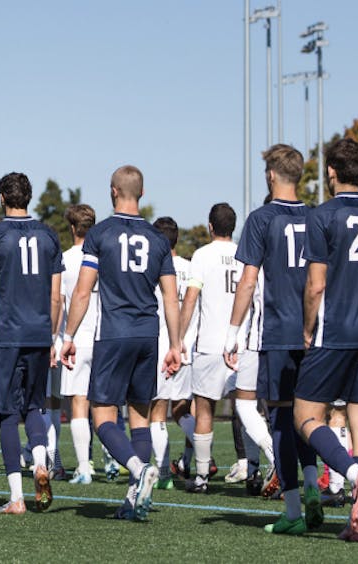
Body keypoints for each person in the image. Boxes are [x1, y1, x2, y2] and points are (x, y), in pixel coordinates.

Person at [293, 138, 358, 543]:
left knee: (305, 416)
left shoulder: (322, 216)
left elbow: (315, 285)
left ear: (331, 172)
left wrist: (307, 328)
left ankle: (355, 474)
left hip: (335, 330)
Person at [61, 165, 182, 522]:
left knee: (102, 417)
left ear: (113, 191)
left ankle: (137, 470)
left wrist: (68, 336)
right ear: (141, 194)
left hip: (115, 332)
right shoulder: (160, 239)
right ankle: (134, 500)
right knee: (140, 416)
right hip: (149, 333)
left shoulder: (100, 234)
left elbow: (83, 292)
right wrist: (175, 344)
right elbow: (170, 298)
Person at [224, 144, 317, 534]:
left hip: (278, 331)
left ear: (271, 175)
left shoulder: (262, 218)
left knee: (280, 418)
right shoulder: (317, 217)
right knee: (308, 417)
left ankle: (293, 510)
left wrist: (232, 331)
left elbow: (248, 280)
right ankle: (314, 487)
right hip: (313, 332)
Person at [0, 173, 63, 514]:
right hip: (39, 334)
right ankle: (39, 462)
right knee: (34, 407)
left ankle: (17, 498)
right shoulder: (49, 236)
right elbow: (56, 297)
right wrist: (52, 337)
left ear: (2, 198)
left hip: (8, 335)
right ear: (29, 197)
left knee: (7, 414)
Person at [177, 203, 241, 494]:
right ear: (234, 226)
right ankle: (253, 469)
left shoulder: (202, 255)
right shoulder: (245, 254)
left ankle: (202, 477)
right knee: (246, 410)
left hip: (209, 344)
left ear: (211, 226)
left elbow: (191, 298)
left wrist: (178, 336)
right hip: (239, 343)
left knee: (204, 410)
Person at [149, 216, 196, 491]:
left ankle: (164, 472)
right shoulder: (191, 268)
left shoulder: (156, 268)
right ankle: (203, 455)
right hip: (188, 348)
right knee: (183, 410)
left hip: (164, 348)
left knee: (158, 412)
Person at [57, 205, 100, 485]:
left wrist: (58, 338)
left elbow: (58, 303)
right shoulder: (104, 257)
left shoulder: (65, 259)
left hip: (76, 339)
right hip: (104, 336)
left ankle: (84, 466)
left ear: (72, 228)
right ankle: (110, 460)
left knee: (79, 405)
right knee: (106, 404)